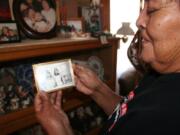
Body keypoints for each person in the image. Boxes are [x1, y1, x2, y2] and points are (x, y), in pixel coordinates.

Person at [34, 0, 180, 135]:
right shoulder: (162, 72)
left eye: (152, 10)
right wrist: (98, 90)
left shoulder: (168, 116)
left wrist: (60, 131)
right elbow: (130, 113)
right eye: (143, 8)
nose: (139, 21)